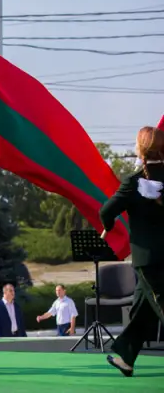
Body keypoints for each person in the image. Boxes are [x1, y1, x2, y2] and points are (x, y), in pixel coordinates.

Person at [100, 125, 164, 377]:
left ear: (140, 149)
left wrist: (108, 225)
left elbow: (106, 211)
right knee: (141, 308)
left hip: (148, 260)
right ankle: (127, 357)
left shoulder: (134, 182)